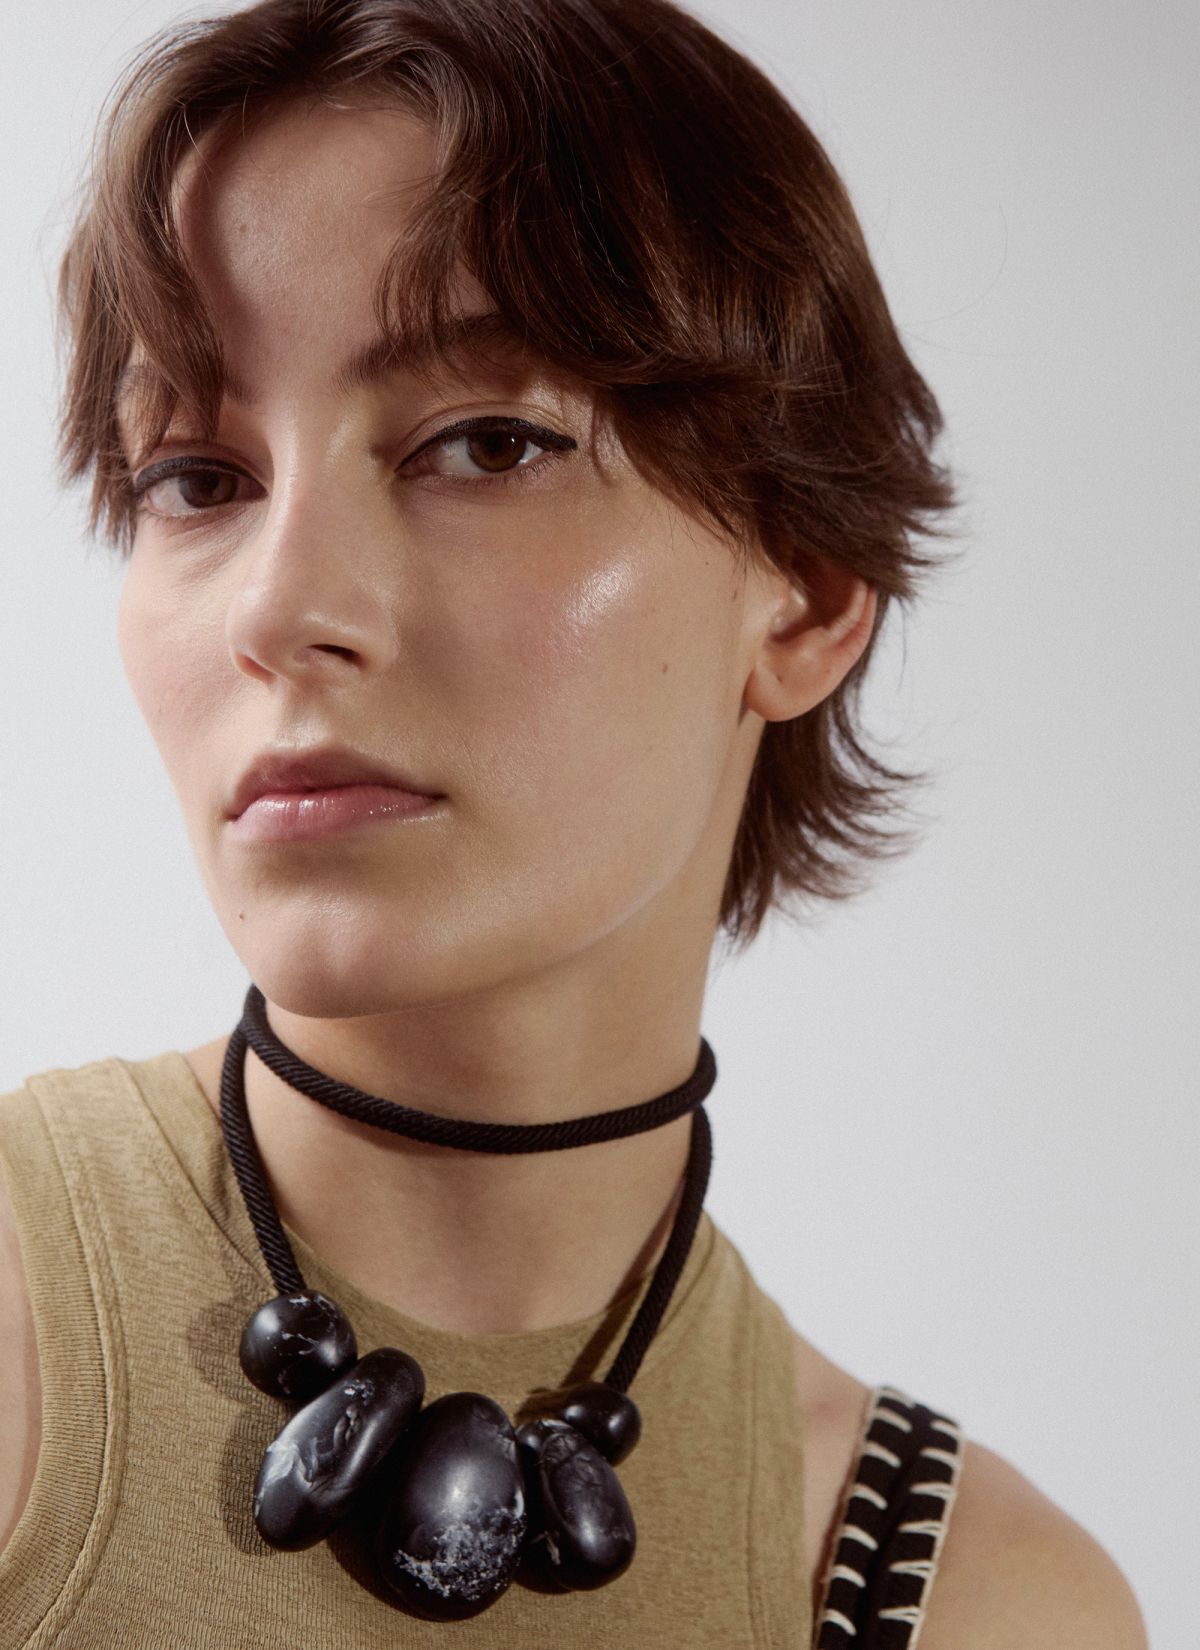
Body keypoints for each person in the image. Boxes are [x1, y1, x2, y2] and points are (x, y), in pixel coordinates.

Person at [0, 0, 1148, 1644]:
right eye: (197, 477)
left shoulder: (968, 1598)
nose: (281, 606)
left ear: (807, 591)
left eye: (486, 444)